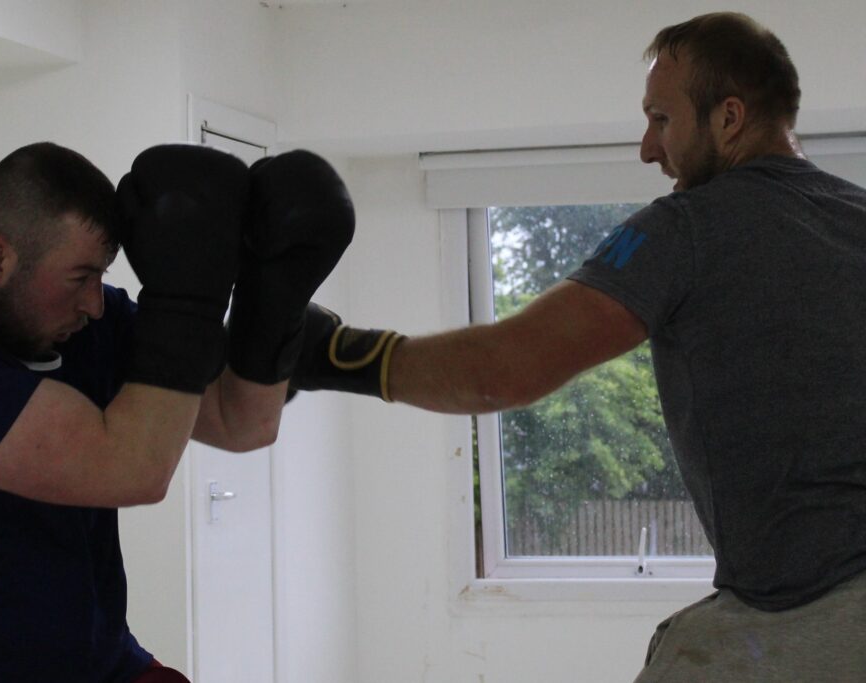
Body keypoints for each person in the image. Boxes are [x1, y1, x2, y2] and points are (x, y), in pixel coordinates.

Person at [288, 12, 866, 682]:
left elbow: (504, 369)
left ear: (729, 117)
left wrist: (333, 352)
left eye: (661, 119)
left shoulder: (686, 228)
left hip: (809, 611)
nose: (649, 149)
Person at [0, 141, 353, 682]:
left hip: (97, 664)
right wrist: (186, 299)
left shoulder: (88, 324)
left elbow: (241, 421)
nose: (94, 301)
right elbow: (131, 469)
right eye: (80, 277)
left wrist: (274, 296)